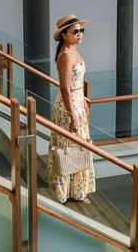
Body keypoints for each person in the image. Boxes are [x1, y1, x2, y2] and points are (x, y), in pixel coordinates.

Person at [47, 14, 96, 204]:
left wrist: (83, 98)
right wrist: (72, 115)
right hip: (68, 107)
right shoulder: (66, 56)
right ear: (64, 35)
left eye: (81, 30)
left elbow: (76, 84)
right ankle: (64, 192)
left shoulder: (75, 51)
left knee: (79, 146)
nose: (79, 34)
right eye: (75, 31)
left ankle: (77, 190)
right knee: (66, 147)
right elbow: (65, 89)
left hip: (77, 103)